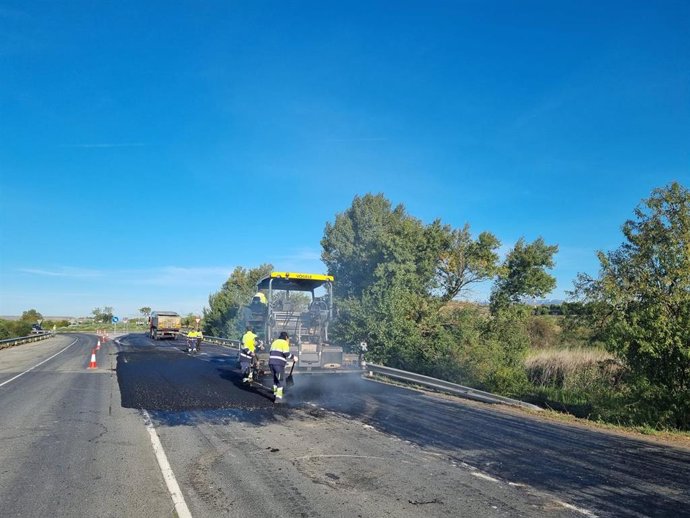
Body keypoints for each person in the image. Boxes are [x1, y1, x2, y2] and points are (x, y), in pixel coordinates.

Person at [268, 331, 298, 402]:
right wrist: (294, 357)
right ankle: (278, 398)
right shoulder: (284, 343)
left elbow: (271, 352)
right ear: (286, 337)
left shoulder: (274, 342)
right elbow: (286, 353)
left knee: (275, 380)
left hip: (271, 363)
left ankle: (275, 395)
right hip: (278, 364)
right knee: (280, 380)